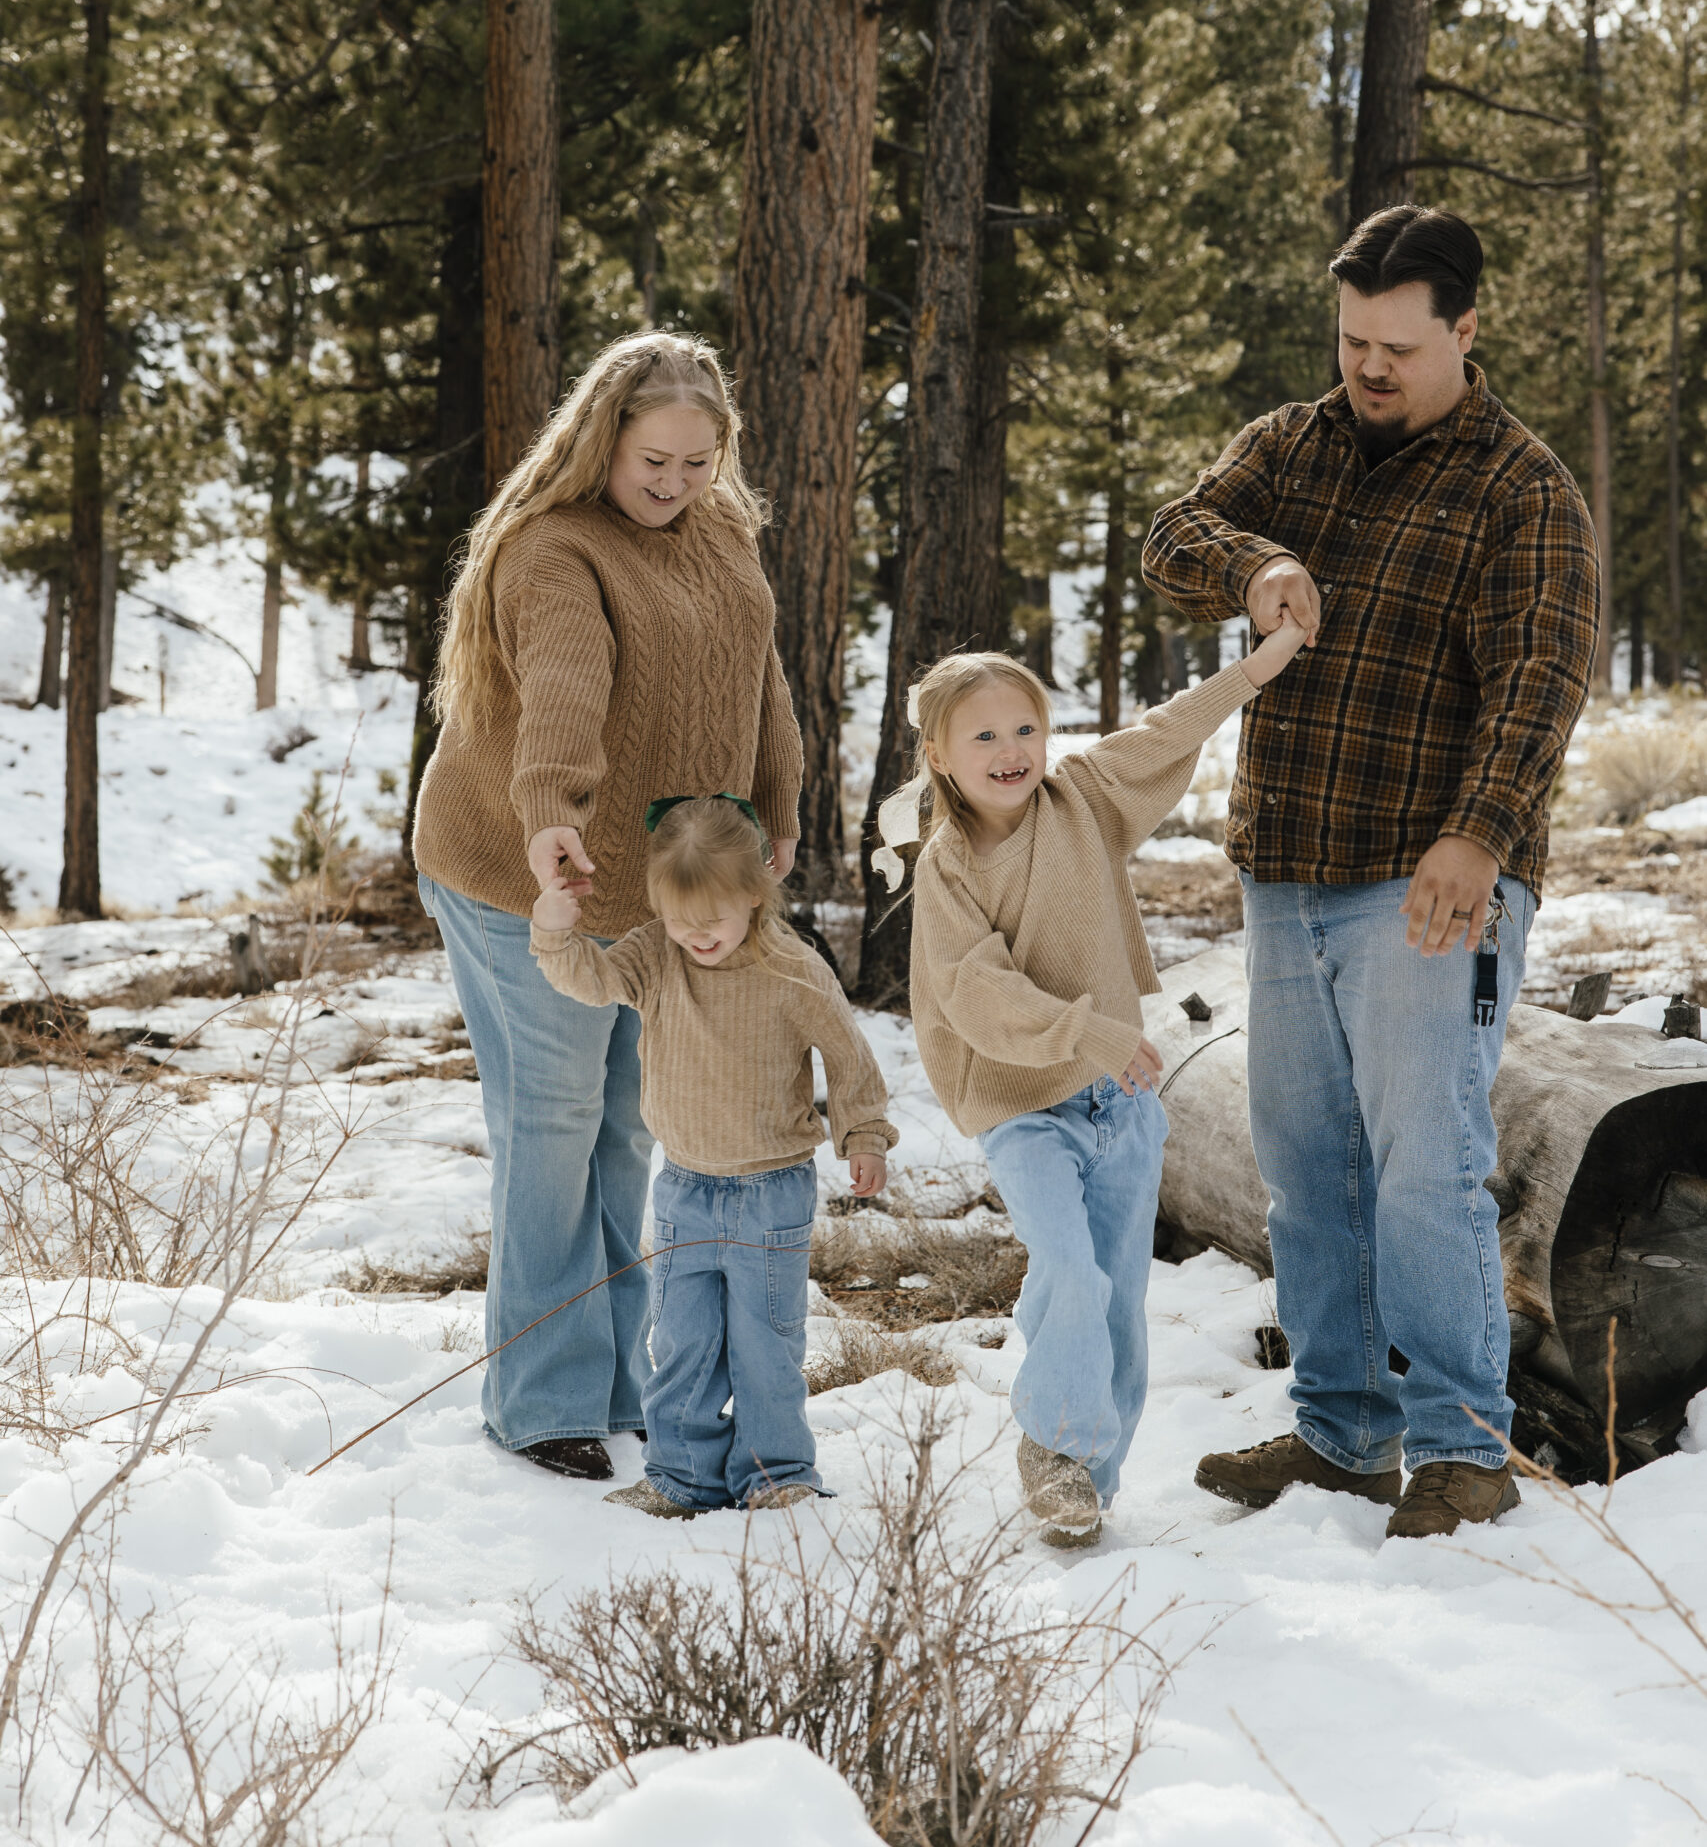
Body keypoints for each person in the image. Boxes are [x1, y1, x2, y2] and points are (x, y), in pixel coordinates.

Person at [1143, 205, 1599, 1540]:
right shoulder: (1292, 447)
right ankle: (1340, 1433)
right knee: (1304, 1165)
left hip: (1430, 873)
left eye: (1396, 345)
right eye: (1351, 341)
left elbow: (1535, 691)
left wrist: (1476, 839)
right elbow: (1175, 534)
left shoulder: (1521, 491)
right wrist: (1257, 560)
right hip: (1286, 864)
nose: (1368, 367)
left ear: (1463, 332)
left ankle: (1460, 1448)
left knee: (1422, 1168)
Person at [413, 333, 804, 1481]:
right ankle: (541, 1394)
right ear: (603, 441)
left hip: (655, 888)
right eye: (654, 463)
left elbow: (760, 672)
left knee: (629, 1123)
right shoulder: (554, 549)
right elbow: (565, 693)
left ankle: (617, 1376)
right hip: (522, 872)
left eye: (697, 461)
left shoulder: (721, 534)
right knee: (552, 1125)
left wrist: (776, 800)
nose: (676, 485)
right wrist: (552, 816)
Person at [888, 623, 1307, 1547]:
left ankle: (1089, 1481)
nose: (1010, 753)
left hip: (1118, 1105)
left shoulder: (1084, 799)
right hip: (1023, 1105)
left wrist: (1254, 666)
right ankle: (1056, 1447)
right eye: (983, 738)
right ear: (938, 756)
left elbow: (1164, 732)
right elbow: (972, 990)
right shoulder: (951, 869)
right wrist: (1088, 1032)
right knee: (1068, 1269)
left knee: (1115, 1294)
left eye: (1024, 730)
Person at [530, 795, 895, 1516]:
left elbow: (848, 1059)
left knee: (765, 1343)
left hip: (771, 1193)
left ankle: (775, 1472)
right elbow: (588, 980)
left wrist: (863, 1134)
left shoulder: (792, 970)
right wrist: (552, 927)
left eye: (712, 921)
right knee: (684, 1341)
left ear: (755, 895)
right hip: (686, 1189)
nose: (695, 937)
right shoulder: (655, 957)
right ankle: (682, 1475)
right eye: (678, 921)